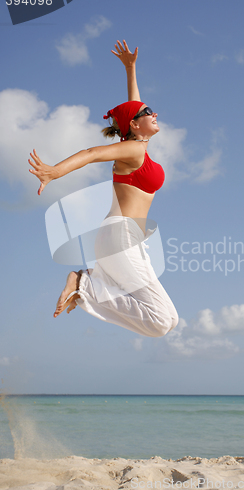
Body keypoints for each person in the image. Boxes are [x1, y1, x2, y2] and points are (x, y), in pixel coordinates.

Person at [28, 40, 178, 338]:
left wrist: (131, 69)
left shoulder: (138, 147)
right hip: (119, 237)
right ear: (135, 125)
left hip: (126, 240)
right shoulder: (133, 150)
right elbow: (93, 153)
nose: (155, 114)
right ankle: (83, 284)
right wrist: (54, 172)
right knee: (161, 321)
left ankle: (85, 284)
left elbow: (134, 109)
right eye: (150, 112)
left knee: (168, 322)